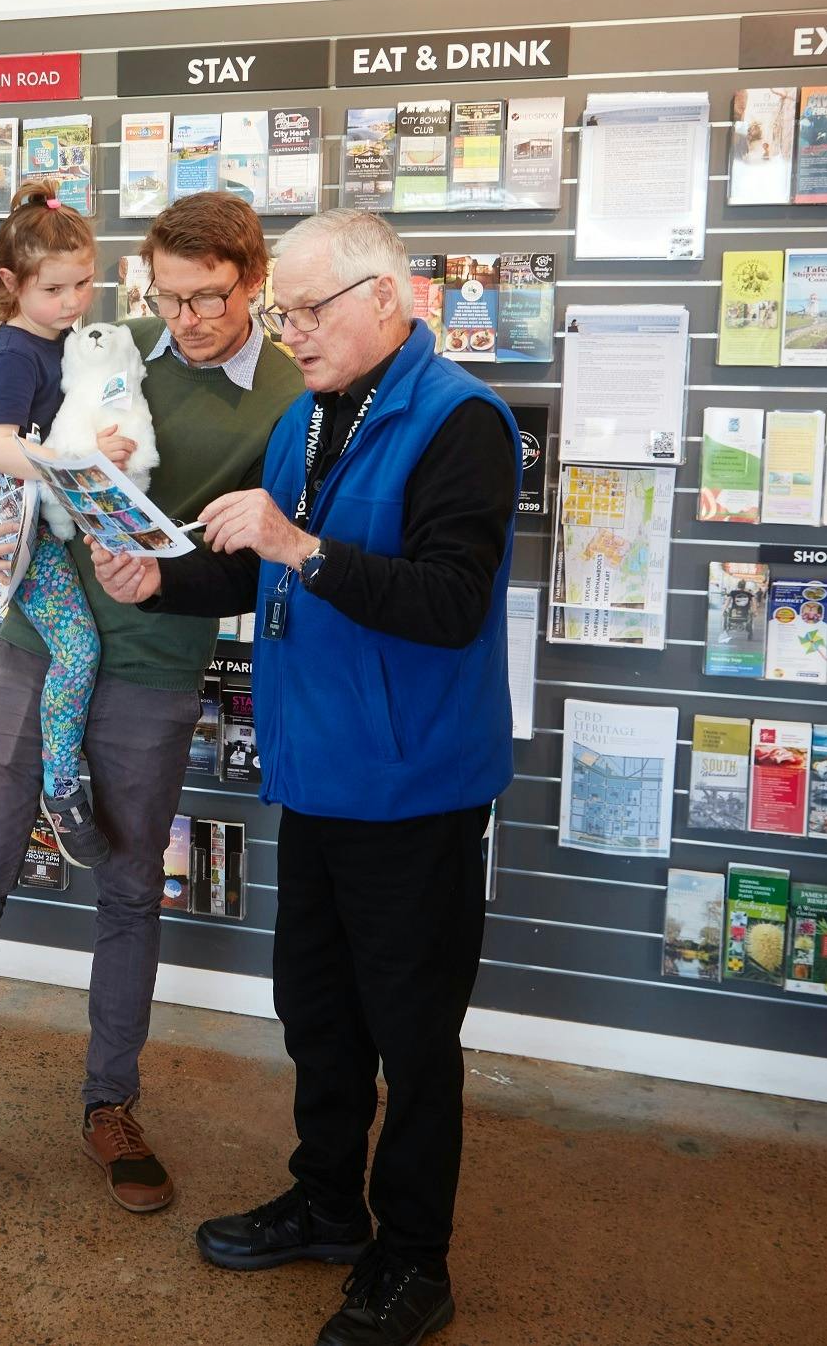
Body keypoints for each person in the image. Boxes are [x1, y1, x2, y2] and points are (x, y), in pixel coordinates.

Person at [92, 210, 518, 1346]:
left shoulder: (462, 423)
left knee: (415, 1040)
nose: (291, 330)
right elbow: (247, 566)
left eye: (307, 311)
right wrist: (156, 582)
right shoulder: (307, 417)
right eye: (283, 312)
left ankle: (413, 1259)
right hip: (315, 774)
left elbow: (448, 602)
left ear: (388, 297)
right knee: (317, 1016)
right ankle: (328, 1201)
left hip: (415, 787)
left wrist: (302, 548)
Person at [0, 192, 303, 1218]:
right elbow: (7, 449)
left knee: (126, 887)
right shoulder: (105, 337)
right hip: (33, 645)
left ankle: (111, 1104)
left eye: (206, 299)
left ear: (254, 283)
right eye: (167, 294)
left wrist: (176, 573)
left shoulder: (287, 395)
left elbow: (267, 563)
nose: (182, 320)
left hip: (154, 663)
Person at [0, 178, 133, 867]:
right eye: (53, 291)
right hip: (24, 531)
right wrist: (76, 460)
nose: (71, 303)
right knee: (80, 650)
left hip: (57, 516)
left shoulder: (66, 342)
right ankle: (61, 789)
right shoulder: (12, 351)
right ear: (11, 282)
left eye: (82, 285)